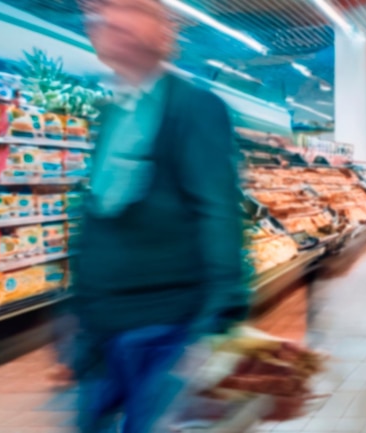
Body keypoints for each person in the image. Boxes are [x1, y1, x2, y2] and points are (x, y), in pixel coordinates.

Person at [68, 0, 249, 431]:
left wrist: (218, 322)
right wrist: (79, 314)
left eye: (129, 7)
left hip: (168, 329)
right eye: (99, 11)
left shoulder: (195, 108)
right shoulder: (112, 113)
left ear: (164, 29)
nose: (111, 20)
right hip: (102, 330)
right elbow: (98, 215)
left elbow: (218, 211)